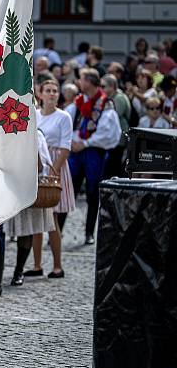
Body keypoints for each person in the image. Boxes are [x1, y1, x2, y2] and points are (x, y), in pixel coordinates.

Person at [66, 68, 121, 245]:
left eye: (81, 79)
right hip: (76, 151)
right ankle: (57, 231)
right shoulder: (79, 102)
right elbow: (67, 122)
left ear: (88, 82)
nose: (79, 83)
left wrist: (86, 143)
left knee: (92, 193)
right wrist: (72, 142)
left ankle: (89, 232)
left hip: (93, 153)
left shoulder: (105, 104)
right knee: (68, 191)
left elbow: (109, 133)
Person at [28, 79, 74, 277]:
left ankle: (58, 265)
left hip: (55, 165)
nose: (52, 94)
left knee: (53, 217)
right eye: (48, 90)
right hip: (37, 165)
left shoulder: (64, 117)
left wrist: (52, 170)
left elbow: (66, 147)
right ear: (41, 94)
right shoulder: (35, 115)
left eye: (55, 91)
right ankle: (37, 265)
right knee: (37, 216)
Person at [5, 130, 56, 286]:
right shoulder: (7, 132)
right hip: (10, 185)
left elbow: (42, 167)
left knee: (25, 231)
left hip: (29, 187)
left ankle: (18, 270)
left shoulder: (36, 134)